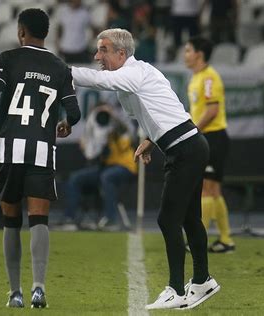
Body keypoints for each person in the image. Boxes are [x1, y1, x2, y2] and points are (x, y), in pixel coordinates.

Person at [71, 28, 219, 310]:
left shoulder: (133, 72)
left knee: (168, 218)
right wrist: (151, 140)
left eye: (103, 50)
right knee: (188, 217)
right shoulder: (140, 74)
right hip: (186, 145)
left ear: (121, 53)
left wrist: (62, 72)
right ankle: (202, 281)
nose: (97, 56)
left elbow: (100, 80)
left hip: (186, 148)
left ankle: (176, 289)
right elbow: (166, 108)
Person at [0, 8, 80, 309]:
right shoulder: (59, 67)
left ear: (21, 32)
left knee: (11, 221)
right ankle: (39, 288)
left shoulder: (7, 60)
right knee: (39, 220)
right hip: (41, 152)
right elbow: (75, 112)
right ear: (46, 34)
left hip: (9, 150)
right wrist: (66, 124)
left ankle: (15, 292)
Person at [184, 36, 235, 253]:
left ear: (199, 54)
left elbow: (212, 111)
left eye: (188, 50)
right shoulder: (197, 78)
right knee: (213, 190)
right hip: (209, 137)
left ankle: (199, 240)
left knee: (207, 188)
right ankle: (226, 240)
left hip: (213, 137)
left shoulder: (208, 78)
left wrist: (193, 131)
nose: (185, 55)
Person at [59, 104, 137, 231]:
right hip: (106, 167)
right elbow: (92, 154)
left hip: (125, 167)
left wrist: (113, 118)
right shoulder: (99, 130)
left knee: (107, 177)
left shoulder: (120, 126)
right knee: (76, 178)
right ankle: (70, 218)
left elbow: (130, 134)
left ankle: (110, 220)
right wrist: (91, 139)